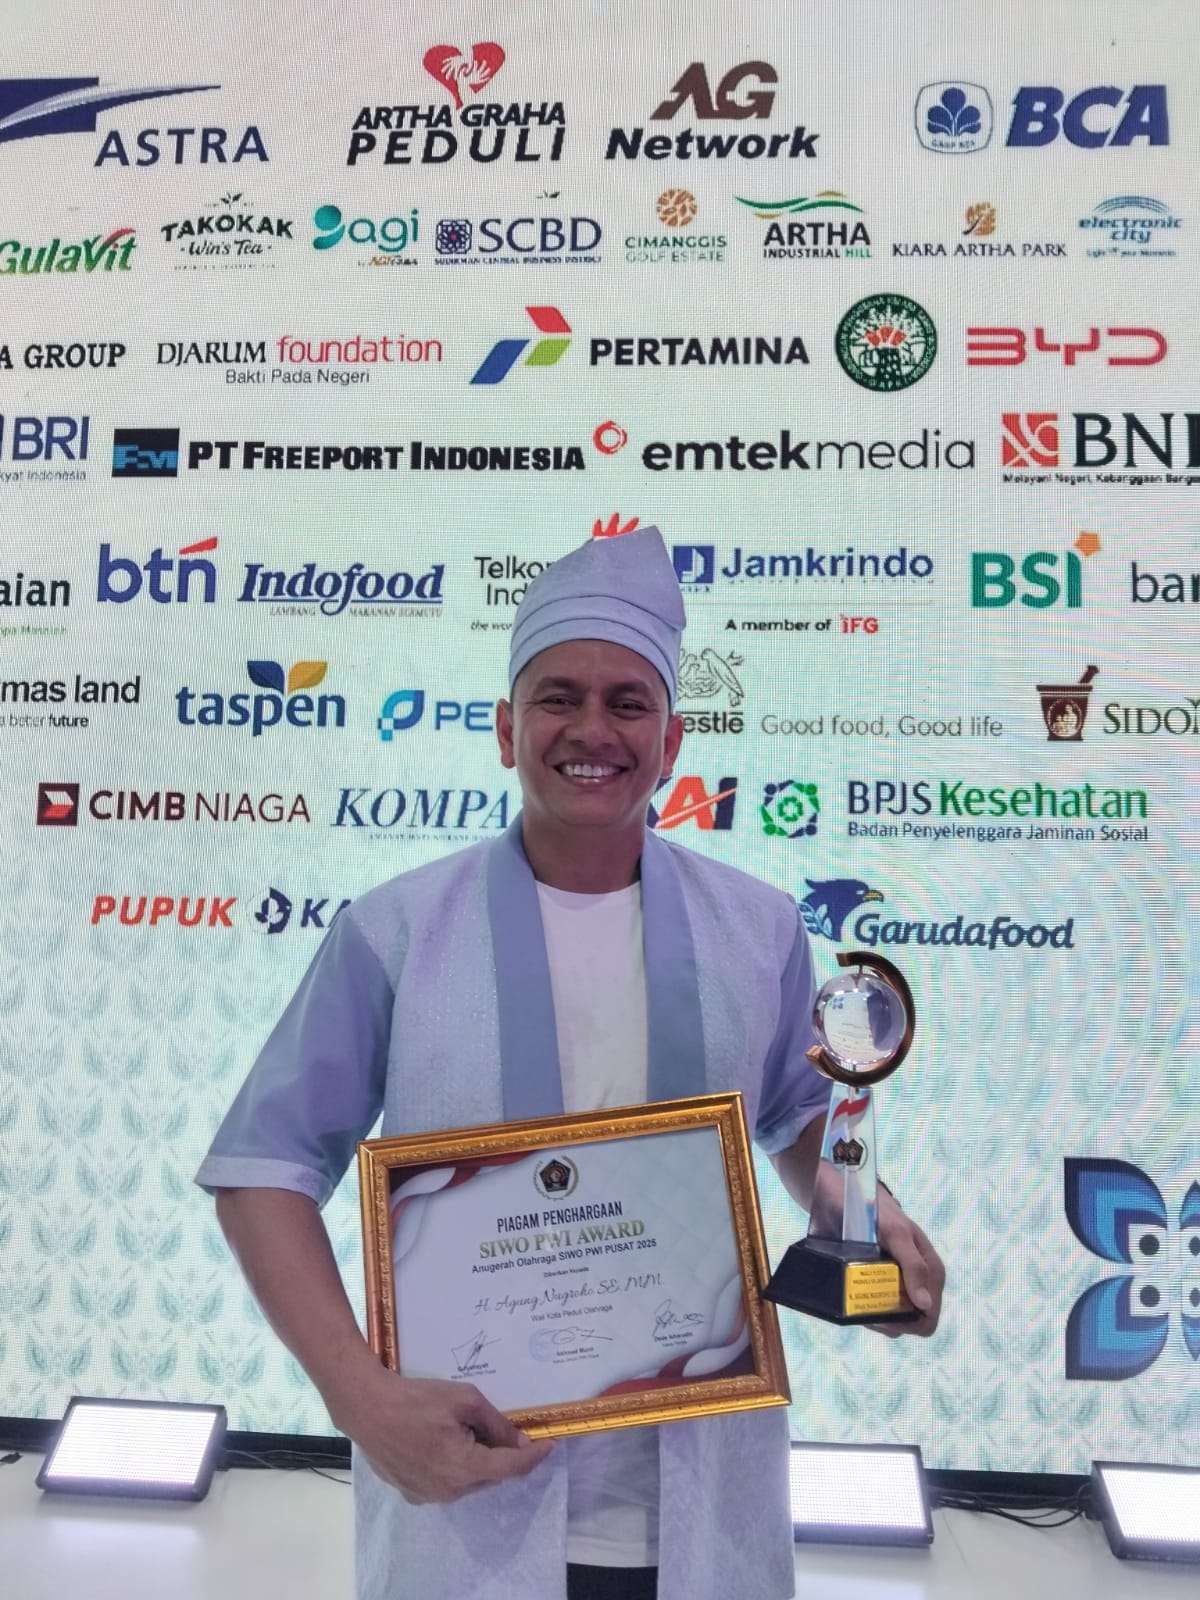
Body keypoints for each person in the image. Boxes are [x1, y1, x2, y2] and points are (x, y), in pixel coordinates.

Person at [196, 525, 945, 1600]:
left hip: (702, 1494)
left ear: (672, 741)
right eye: (559, 697)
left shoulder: (759, 927)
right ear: (506, 729)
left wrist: (874, 1224)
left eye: (627, 702)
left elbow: (800, 1121)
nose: (592, 729)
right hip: (468, 1488)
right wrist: (359, 1396)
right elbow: (262, 1171)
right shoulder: (395, 932)